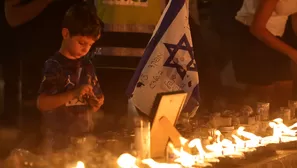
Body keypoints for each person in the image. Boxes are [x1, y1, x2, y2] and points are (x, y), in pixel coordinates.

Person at [36, 3, 104, 152]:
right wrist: (73, 93)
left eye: (90, 45)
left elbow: (99, 100)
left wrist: (95, 101)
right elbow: (42, 103)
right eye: (82, 43)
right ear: (66, 34)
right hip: (56, 143)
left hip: (84, 142)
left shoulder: (88, 66)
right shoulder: (54, 66)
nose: (86, 49)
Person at [233, 0, 297, 108]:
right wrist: (292, 53)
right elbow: (257, 28)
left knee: (284, 92)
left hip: (277, 38)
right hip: (253, 37)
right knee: (264, 99)